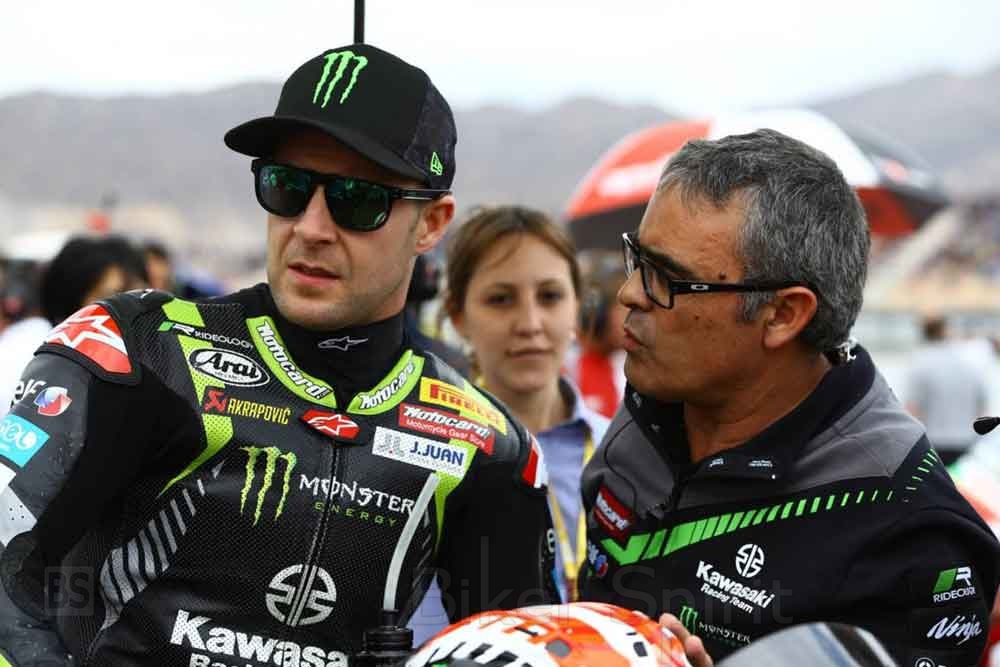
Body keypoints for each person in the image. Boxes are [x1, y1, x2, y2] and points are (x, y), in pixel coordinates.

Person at [0, 44, 557, 666]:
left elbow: (530, 652)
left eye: (357, 199)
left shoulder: (485, 442)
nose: (311, 228)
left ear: (431, 223)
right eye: (287, 186)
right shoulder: (137, 350)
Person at [577, 129, 1000, 667]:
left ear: (783, 315)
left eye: (668, 279)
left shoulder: (905, 527)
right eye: (637, 259)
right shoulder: (652, 406)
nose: (629, 293)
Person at [408, 206, 609, 644]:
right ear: (457, 316)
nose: (530, 324)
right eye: (501, 299)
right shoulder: (424, 456)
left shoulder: (623, 449)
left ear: (577, 306)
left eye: (550, 297)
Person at [0, 236, 149, 409]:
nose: (130, 310)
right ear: (72, 298)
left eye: (140, 296)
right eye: (112, 297)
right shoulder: (29, 348)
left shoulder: (152, 356)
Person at [906, 314, 989, 465]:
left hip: (932, 443)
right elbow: (982, 406)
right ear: (946, 330)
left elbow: (913, 409)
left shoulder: (919, 363)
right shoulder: (968, 362)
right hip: (966, 442)